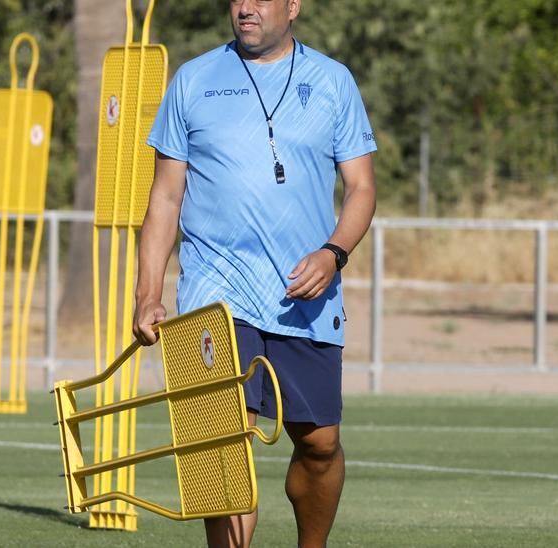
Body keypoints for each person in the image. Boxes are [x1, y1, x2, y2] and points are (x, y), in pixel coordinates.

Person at [132, 1, 377, 546]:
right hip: (212, 297)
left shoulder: (333, 82)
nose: (245, 7)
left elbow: (361, 188)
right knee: (220, 446)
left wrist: (333, 252)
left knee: (319, 446)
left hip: (302, 297)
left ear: (292, 7)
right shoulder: (193, 79)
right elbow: (165, 198)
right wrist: (148, 293)